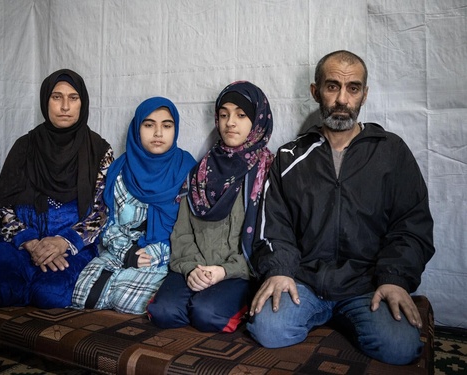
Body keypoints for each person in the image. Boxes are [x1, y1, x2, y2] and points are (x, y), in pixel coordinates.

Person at [247, 50, 435, 365]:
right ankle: (323, 313)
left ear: (364, 94)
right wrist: (279, 271)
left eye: (353, 88)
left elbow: (411, 225)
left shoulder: (391, 152)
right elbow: (274, 225)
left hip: (368, 284)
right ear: (315, 91)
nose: (342, 99)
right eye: (332, 86)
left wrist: (394, 278)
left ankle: (353, 317)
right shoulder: (289, 156)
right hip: (304, 281)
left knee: (399, 348)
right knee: (269, 329)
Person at [0, 69, 113, 308]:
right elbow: (2, 207)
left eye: (73, 98)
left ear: (82, 103)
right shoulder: (25, 146)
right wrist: (31, 242)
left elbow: (101, 212)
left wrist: (64, 241)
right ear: (46, 101)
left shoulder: (99, 150)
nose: (65, 106)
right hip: (22, 242)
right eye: (57, 97)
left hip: (72, 245)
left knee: (50, 294)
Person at [147, 81, 274, 332]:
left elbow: (270, 239)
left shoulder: (267, 173)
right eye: (224, 114)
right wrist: (192, 268)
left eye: (241, 115)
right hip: (196, 266)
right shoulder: (201, 171)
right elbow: (181, 231)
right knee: (163, 312)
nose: (230, 123)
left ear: (257, 121)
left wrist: (223, 271)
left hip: (239, 271)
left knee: (208, 314)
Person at [71, 97, 196, 314]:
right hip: (121, 251)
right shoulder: (120, 169)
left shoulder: (187, 170)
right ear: (137, 129)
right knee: (82, 294)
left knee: (129, 300)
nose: (158, 133)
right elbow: (106, 222)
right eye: (149, 125)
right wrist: (128, 252)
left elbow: (193, 230)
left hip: (164, 257)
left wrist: (157, 253)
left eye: (166, 126)